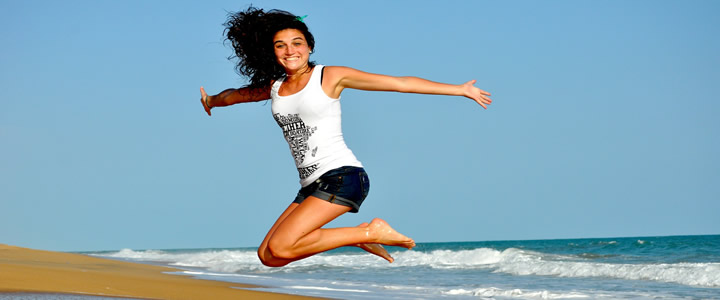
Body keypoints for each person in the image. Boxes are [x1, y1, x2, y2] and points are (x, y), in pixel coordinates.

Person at [200, 7, 492, 267]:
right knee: (269, 256)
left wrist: (458, 89)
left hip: (342, 176)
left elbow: (399, 83)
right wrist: (212, 100)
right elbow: (235, 96)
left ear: (310, 47)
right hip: (311, 183)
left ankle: (369, 231)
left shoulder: (330, 76)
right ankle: (355, 236)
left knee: (281, 246)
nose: (290, 51)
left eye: (297, 43)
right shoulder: (276, 86)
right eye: (281, 45)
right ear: (272, 52)